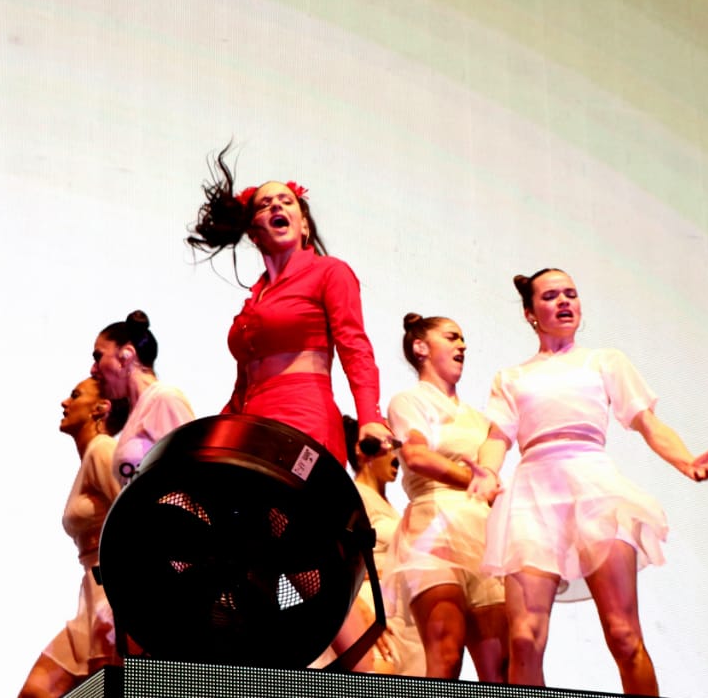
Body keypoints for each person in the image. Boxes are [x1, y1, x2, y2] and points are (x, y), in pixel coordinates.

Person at [469, 268, 708, 694]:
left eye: (570, 294)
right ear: (529, 312)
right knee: (523, 639)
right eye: (551, 295)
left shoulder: (604, 361)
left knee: (624, 635)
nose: (563, 302)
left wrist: (686, 461)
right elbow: (497, 437)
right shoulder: (511, 377)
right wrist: (486, 471)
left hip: (594, 487)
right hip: (532, 497)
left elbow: (648, 423)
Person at [187, 145, 394, 466]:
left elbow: (355, 348)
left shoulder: (329, 272)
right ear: (253, 234)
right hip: (252, 428)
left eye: (286, 201)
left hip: (304, 419)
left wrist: (370, 416)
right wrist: (218, 434)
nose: (276, 206)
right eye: (264, 204)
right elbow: (243, 385)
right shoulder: (252, 301)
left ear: (305, 225)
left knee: (292, 514)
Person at [386, 313, 508, 681]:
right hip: (433, 528)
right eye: (452, 337)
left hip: (481, 531)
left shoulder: (479, 419)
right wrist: (472, 478)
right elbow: (417, 456)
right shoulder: (409, 402)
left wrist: (486, 481)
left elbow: (491, 471)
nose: (463, 345)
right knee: (446, 652)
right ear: (420, 347)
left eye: (464, 339)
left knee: (500, 666)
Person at [18, 378, 130, 698]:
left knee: (108, 689)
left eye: (75, 395)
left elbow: (135, 519)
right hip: (93, 593)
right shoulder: (91, 457)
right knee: (36, 692)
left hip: (113, 594)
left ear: (101, 408)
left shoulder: (103, 450)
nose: (65, 402)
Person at [342, 416, 426, 677]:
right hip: (370, 603)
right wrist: (362, 613)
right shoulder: (353, 497)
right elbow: (338, 562)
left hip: (400, 610)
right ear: (362, 448)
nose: (396, 453)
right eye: (388, 445)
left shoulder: (390, 508)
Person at [90, 310, 195, 486]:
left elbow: (193, 473)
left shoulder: (164, 398)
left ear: (126, 355)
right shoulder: (138, 413)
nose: (93, 369)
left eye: (98, 357)